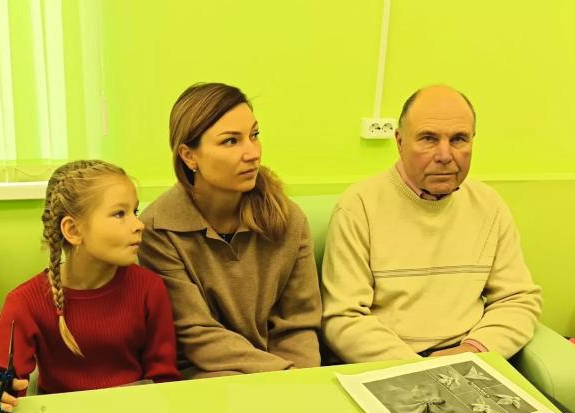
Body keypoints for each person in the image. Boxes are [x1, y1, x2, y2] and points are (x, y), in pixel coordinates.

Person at [321, 85, 542, 362]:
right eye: (428, 138)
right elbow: (343, 317)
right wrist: (421, 370)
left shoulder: (489, 205)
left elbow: (518, 299)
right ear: (399, 142)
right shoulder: (359, 206)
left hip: (469, 359)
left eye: (459, 139)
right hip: (389, 365)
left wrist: (472, 351)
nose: (445, 155)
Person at [138, 82, 322, 378]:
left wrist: (300, 381)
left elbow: (298, 322)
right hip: (204, 375)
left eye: (254, 135)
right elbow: (196, 333)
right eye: (230, 141)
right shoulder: (158, 229)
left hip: (284, 371)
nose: (252, 153)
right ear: (189, 156)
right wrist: (282, 376)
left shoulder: (289, 219)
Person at [0, 160, 181, 401]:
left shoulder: (149, 288)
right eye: (119, 214)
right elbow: (0, 392)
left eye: (134, 211)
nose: (139, 224)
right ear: (73, 230)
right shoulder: (24, 303)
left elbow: (164, 380)